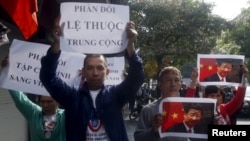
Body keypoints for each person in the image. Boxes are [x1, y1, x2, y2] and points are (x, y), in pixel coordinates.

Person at [39, 17, 144, 141]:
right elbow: (47, 77)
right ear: (83, 71)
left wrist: (130, 44)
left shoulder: (116, 95)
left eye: (100, 68)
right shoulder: (71, 96)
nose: (95, 73)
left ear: (107, 72)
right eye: (90, 68)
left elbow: (137, 77)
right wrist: (57, 43)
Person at [1, 57, 66, 141]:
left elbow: (78, 101)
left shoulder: (65, 116)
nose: (45, 105)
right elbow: (18, 98)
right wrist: (7, 71)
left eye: (49, 101)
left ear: (57, 101)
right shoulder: (34, 113)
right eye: (42, 102)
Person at [134, 66, 199, 141]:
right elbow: (138, 138)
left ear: (181, 84)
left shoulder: (186, 108)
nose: (173, 84)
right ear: (159, 84)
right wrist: (154, 130)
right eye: (168, 80)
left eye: (176, 80)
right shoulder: (148, 110)